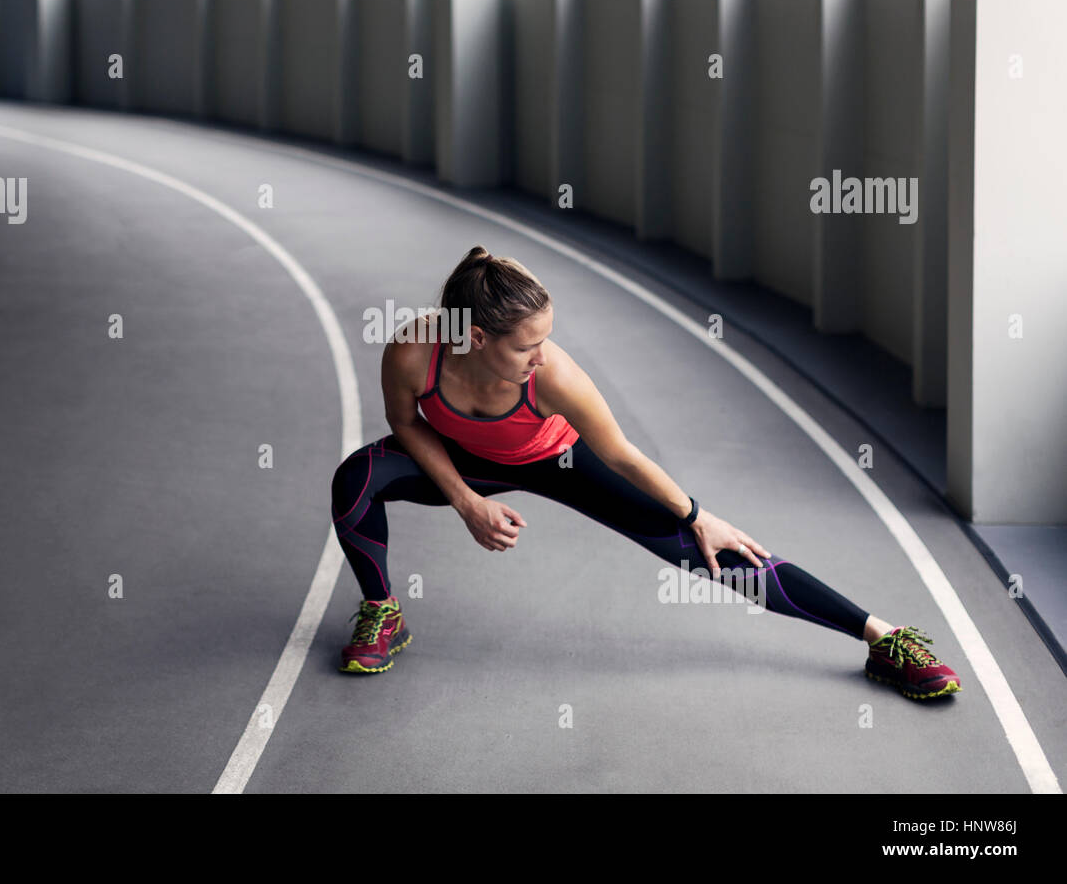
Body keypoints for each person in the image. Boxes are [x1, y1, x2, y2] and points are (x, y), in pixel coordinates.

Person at [330, 245, 962, 700]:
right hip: (468, 460)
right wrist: (468, 502)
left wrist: (697, 516)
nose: (540, 356)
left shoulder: (553, 378)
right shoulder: (414, 351)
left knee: (711, 554)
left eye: (545, 340)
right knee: (356, 478)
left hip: (563, 460)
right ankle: (383, 611)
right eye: (526, 346)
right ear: (472, 337)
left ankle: (883, 638)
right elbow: (408, 427)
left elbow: (624, 455)